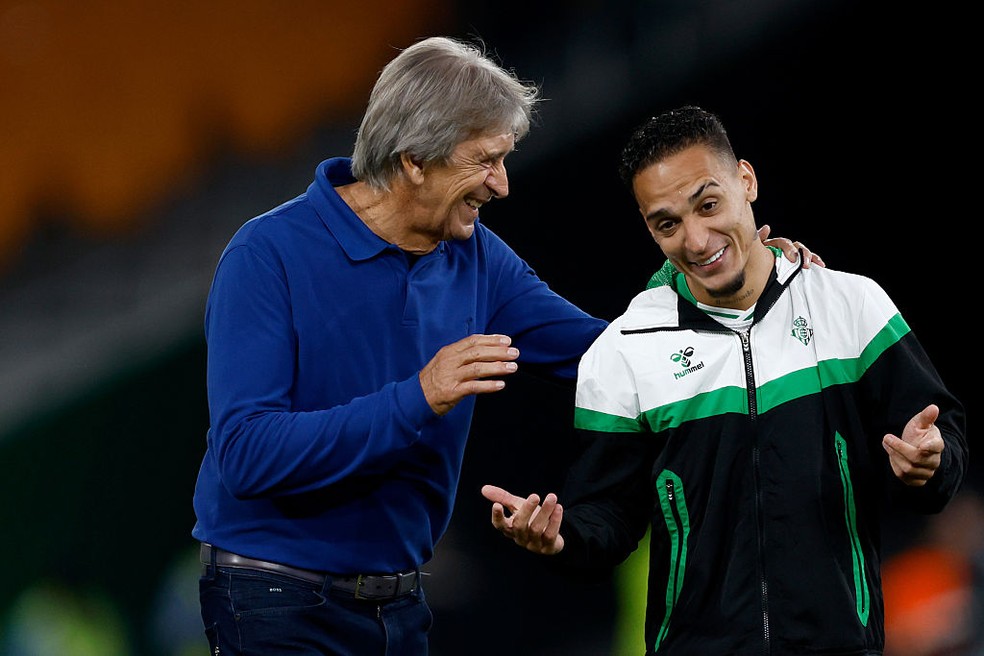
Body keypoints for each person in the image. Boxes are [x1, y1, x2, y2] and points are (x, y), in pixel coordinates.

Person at [191, 36, 818, 655]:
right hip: (275, 599)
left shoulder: (476, 258)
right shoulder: (267, 255)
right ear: (414, 159)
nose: (503, 184)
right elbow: (247, 453)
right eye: (486, 160)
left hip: (400, 608)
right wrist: (419, 396)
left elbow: (609, 357)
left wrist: (729, 285)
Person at [481, 105, 967, 654]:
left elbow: (939, 438)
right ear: (648, 226)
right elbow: (608, 520)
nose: (696, 239)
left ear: (746, 180)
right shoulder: (625, 349)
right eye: (668, 223)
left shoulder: (850, 305)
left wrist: (931, 463)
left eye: (708, 205)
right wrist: (560, 537)